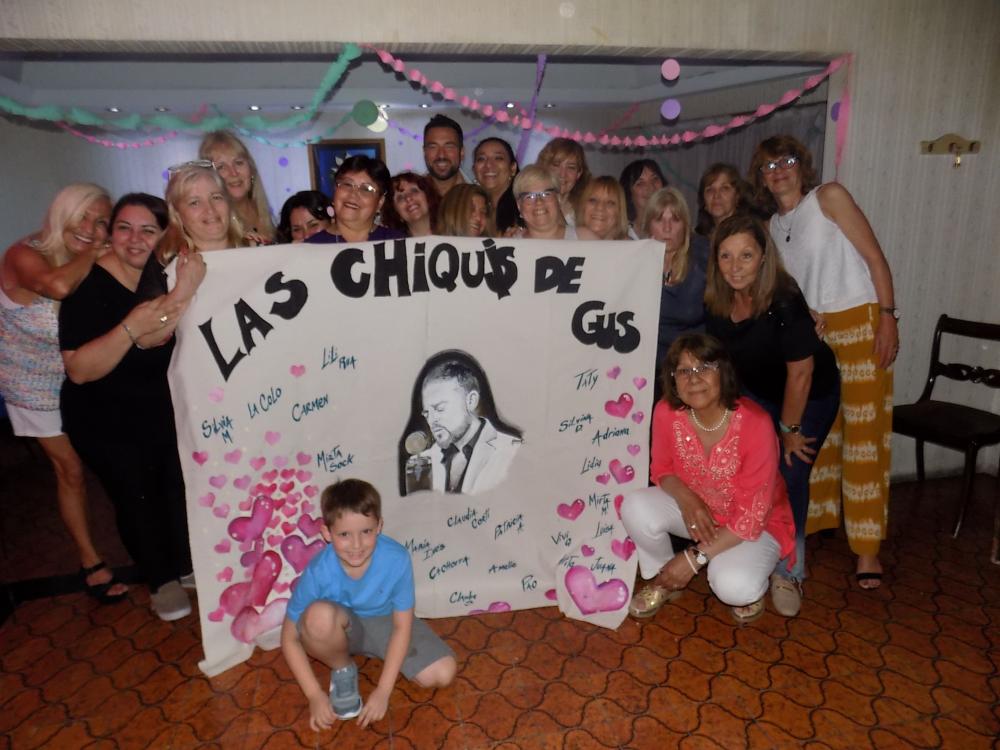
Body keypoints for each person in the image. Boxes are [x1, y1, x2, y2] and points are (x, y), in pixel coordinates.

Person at [751, 134, 898, 590]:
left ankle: (868, 548)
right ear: (761, 178)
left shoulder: (828, 197)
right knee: (824, 437)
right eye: (769, 165)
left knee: (864, 440)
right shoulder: (771, 226)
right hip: (816, 336)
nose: (779, 170)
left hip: (860, 322)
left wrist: (888, 317)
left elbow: (874, 257)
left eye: (787, 161)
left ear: (802, 165)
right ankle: (817, 524)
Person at [59, 193, 206, 621]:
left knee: (173, 487)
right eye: (124, 228)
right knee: (134, 494)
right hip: (101, 415)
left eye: (147, 230)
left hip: (156, 405)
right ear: (110, 233)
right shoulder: (88, 286)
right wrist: (129, 328)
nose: (135, 239)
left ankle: (182, 564)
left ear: (163, 235)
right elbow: (79, 371)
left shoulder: (163, 274)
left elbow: (167, 329)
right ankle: (160, 580)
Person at [705, 214, 840, 616]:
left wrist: (789, 429)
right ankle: (747, 550)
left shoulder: (783, 299)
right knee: (747, 469)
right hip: (760, 392)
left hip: (810, 396)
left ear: (764, 256)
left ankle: (789, 570)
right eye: (726, 256)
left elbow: (801, 373)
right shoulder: (717, 301)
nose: (735, 266)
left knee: (790, 473)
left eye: (746, 255)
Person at [0, 183, 127, 603]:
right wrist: (94, 252)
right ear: (61, 212)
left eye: (101, 221)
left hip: (81, 375)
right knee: (70, 469)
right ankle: (91, 562)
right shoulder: (24, 253)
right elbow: (56, 287)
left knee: (112, 460)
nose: (90, 228)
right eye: (83, 216)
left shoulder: (93, 259)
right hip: (31, 383)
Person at [620, 333, 797, 623]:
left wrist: (693, 559)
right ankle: (666, 578)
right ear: (673, 380)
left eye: (704, 367)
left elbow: (751, 517)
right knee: (634, 506)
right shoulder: (666, 412)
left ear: (723, 373)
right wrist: (688, 499)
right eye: (684, 371)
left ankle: (750, 586)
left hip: (756, 524)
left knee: (733, 586)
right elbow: (662, 469)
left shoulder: (756, 423)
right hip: (701, 513)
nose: (694, 378)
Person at [281, 478, 456, 729]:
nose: (356, 545)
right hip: (340, 627)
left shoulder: (397, 559)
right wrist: (314, 695)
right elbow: (289, 637)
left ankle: (379, 654)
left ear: (379, 526)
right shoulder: (318, 570)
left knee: (443, 673)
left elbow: (402, 626)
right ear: (327, 533)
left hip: (386, 622)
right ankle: (342, 667)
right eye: (344, 534)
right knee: (317, 616)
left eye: (366, 531)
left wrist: (383, 690)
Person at [402, 353, 522, 495]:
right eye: (427, 413)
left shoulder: (513, 452)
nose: (432, 420)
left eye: (440, 408)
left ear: (471, 401)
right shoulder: (420, 466)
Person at [637, 187, 709, 396]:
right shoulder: (635, 261)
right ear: (648, 224)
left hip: (695, 366)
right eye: (659, 219)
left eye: (675, 220)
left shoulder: (704, 258)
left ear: (685, 225)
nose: (667, 228)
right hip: (648, 370)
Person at [139, 161, 247, 298]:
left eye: (216, 197)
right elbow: (150, 312)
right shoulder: (163, 263)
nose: (210, 209)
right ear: (177, 214)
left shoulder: (259, 251)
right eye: (194, 202)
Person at [307, 156, 406, 245]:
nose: (353, 194)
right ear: (335, 189)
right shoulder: (311, 247)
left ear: (380, 202)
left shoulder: (398, 243)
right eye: (347, 184)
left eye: (366, 189)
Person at [198, 131, 276, 243]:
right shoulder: (211, 224)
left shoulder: (264, 212)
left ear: (251, 169)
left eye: (238, 163)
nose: (233, 173)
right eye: (221, 167)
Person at [508, 165, 598, 241]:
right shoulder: (510, 245)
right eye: (530, 197)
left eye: (546, 194)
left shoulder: (585, 239)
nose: (539, 202)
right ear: (519, 205)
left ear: (558, 199)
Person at [536, 137, 591, 227]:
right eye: (556, 165)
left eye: (571, 167)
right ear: (545, 168)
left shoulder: (587, 209)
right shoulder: (531, 204)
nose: (562, 174)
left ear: (579, 173)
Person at [472, 137, 520, 234]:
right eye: (481, 159)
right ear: (474, 169)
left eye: (498, 158)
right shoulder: (469, 209)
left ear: (513, 168)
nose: (489, 165)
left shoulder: (524, 208)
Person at [694, 163, 754, 238]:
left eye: (724, 188)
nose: (716, 196)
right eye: (710, 190)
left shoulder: (748, 234)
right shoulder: (697, 239)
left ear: (737, 197)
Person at [619, 159, 666, 239]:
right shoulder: (620, 235)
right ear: (629, 193)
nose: (651, 187)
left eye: (655, 179)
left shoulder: (674, 228)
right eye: (640, 183)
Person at [384, 172, 439, 237]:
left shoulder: (449, 233)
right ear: (395, 212)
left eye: (414, 191)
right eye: (400, 198)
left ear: (428, 197)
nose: (408, 198)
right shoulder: (388, 242)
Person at [422, 114, 465, 197]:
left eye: (449, 147)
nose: (441, 155)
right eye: (433, 147)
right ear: (424, 152)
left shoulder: (478, 196)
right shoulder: (412, 198)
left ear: (462, 152)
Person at [578, 176, 630, 240]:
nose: (599, 207)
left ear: (620, 212)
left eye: (609, 203)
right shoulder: (567, 239)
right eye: (593, 200)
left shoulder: (633, 245)